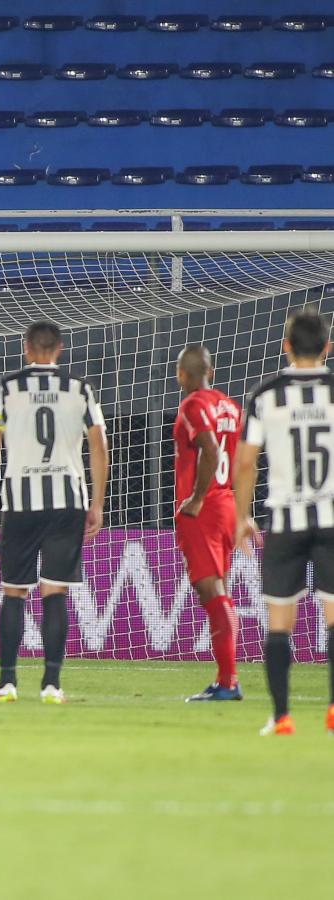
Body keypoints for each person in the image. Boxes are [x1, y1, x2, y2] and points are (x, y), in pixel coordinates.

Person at [0, 321, 108, 704]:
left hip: (20, 501)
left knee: (14, 592)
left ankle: (6, 684)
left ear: (27, 349)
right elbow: (98, 445)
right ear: (59, 349)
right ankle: (51, 684)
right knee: (55, 592)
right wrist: (96, 502)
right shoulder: (80, 389)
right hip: (68, 500)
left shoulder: (7, 387)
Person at [234, 307, 334, 736]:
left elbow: (245, 463)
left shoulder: (265, 394)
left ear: (286, 346)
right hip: (332, 519)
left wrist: (240, 516)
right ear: (328, 346)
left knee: (280, 622)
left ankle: (281, 716)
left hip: (284, 519)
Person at [172, 346, 243, 702]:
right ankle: (225, 679)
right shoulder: (231, 406)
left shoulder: (192, 406)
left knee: (212, 593)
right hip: (227, 502)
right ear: (210, 371)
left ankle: (229, 681)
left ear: (181, 374)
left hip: (206, 507)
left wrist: (197, 497)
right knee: (220, 591)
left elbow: (210, 448)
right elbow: (236, 454)